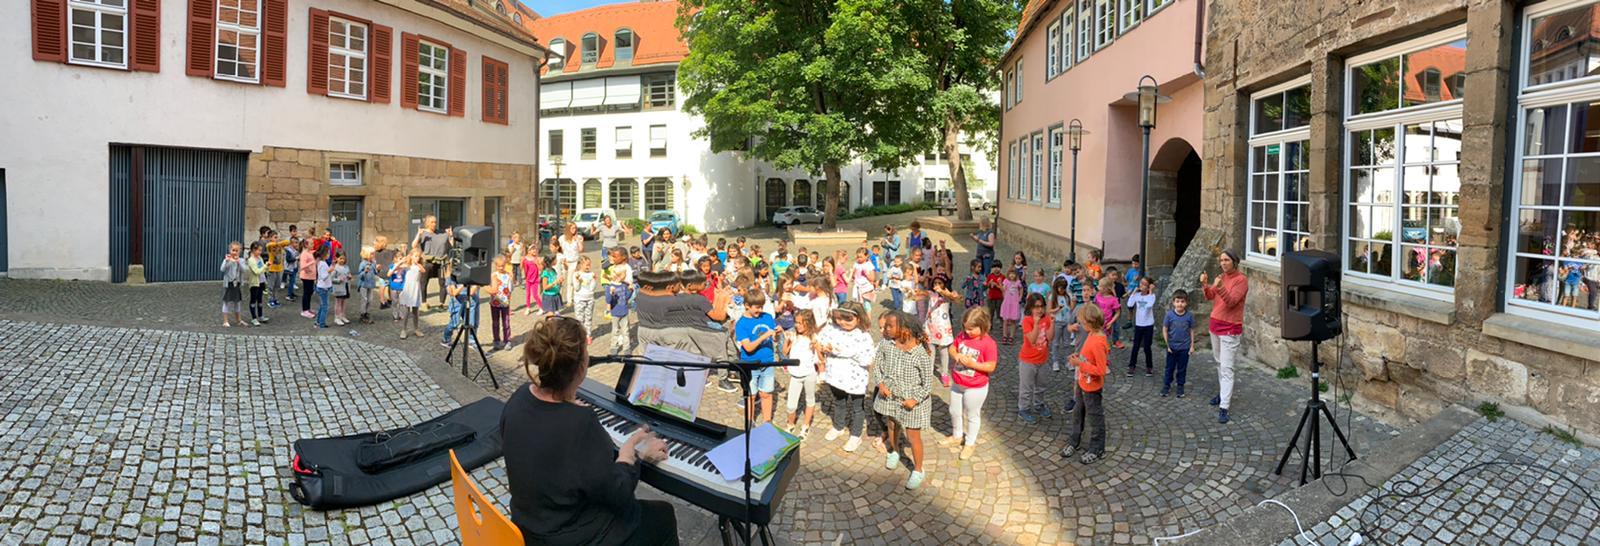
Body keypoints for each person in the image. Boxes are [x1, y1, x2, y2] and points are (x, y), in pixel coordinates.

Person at [502, 315, 677, 546]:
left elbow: (546, 447)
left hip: (528, 525)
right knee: (663, 514)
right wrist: (633, 455)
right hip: (570, 538)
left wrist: (566, 404)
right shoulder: (579, 423)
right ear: (582, 366)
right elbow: (618, 494)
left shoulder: (519, 398)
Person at [871, 311, 937, 490]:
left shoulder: (921, 354)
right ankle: (894, 450)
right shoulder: (886, 344)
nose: (885, 329)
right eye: (885, 326)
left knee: (913, 436)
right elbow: (878, 366)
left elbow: (927, 384)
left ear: (905, 329)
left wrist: (914, 400)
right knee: (892, 425)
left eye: (889, 326)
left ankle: (918, 469)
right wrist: (881, 384)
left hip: (912, 402)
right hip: (890, 396)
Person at [817, 302, 875, 452]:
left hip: (855, 379)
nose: (843, 322)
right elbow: (821, 340)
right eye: (839, 318)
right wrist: (824, 347)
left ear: (859, 318)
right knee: (839, 402)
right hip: (835, 376)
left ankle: (856, 435)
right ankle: (838, 426)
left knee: (857, 408)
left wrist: (844, 351)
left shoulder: (864, 336)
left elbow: (868, 359)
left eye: (848, 319)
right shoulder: (832, 329)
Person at [942, 307, 997, 461]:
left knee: (972, 414)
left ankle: (970, 443)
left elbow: (991, 366)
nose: (967, 332)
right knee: (954, 411)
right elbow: (952, 348)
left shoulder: (988, 343)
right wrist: (956, 355)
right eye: (965, 328)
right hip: (958, 382)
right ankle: (957, 435)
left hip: (976, 387)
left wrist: (973, 364)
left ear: (982, 326)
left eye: (971, 329)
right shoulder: (963, 335)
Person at [1202, 249, 1249, 424]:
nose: (1223, 263)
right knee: (1219, 363)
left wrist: (1220, 287)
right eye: (1221, 260)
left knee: (1227, 368)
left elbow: (1231, 302)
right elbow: (1210, 296)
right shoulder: (1221, 277)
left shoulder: (1241, 280)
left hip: (1230, 328)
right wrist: (1205, 284)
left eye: (1226, 260)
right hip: (1215, 325)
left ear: (1234, 262)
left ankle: (1224, 407)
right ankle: (1223, 394)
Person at [1061, 304, 1109, 464]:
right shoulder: (1092, 334)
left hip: (1092, 387)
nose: (1080, 325)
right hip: (1083, 382)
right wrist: (1079, 357)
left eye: (1082, 322)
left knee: (1095, 417)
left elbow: (1101, 369)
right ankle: (1074, 440)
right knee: (1077, 412)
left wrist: (1080, 364)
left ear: (1089, 323)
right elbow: (1088, 356)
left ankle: (1097, 449)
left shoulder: (1099, 341)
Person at [736, 291, 781, 424]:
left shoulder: (767, 317)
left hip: (768, 363)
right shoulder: (741, 324)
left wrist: (777, 334)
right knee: (750, 396)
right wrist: (764, 336)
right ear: (747, 306)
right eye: (757, 307)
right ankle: (749, 422)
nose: (760, 310)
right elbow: (748, 348)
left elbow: (775, 339)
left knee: (766, 394)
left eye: (762, 306)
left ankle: (767, 422)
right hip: (750, 365)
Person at [785, 312, 821, 437]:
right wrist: (787, 341)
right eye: (796, 322)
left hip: (809, 373)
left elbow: (821, 358)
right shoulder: (793, 335)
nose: (797, 325)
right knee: (791, 405)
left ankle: (805, 425)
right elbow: (785, 352)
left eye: (801, 323)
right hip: (795, 375)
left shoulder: (814, 337)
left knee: (810, 399)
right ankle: (790, 424)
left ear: (809, 323)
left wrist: (817, 347)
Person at [1017, 294, 1053, 424]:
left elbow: (1050, 338)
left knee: (1041, 386)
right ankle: (1024, 409)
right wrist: (1037, 324)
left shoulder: (1046, 319)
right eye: (1036, 307)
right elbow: (1032, 339)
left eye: (1042, 306)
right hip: (1028, 360)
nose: (1040, 310)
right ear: (1030, 307)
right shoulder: (1027, 320)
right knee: (1026, 387)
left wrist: (1052, 322)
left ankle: (1039, 405)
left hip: (1042, 359)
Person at [1162, 289, 1196, 398]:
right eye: (1177, 301)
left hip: (1184, 347)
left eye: (1182, 301)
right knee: (1169, 367)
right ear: (1173, 302)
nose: (1180, 304)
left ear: (1186, 303)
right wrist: (1167, 344)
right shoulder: (1169, 315)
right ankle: (1166, 385)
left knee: (1182, 368)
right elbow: (1165, 329)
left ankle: (1180, 385)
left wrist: (1192, 346)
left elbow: (1191, 330)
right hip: (1172, 347)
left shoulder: (1189, 316)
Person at [412, 216, 451, 309]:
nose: (434, 224)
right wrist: (418, 234)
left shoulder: (442, 233)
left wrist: (450, 236)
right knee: (423, 282)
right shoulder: (423, 233)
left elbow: (451, 245)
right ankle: (424, 303)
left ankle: (441, 304)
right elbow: (413, 245)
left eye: (435, 222)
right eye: (432, 222)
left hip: (441, 262)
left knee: (443, 283)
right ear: (427, 223)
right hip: (427, 262)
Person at [926, 277, 959, 387]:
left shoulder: (947, 294)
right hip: (931, 326)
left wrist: (943, 291)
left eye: (939, 283)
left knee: (943, 350)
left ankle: (944, 373)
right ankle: (929, 373)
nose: (937, 285)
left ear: (944, 284)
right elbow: (923, 293)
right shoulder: (931, 294)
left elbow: (954, 298)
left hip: (943, 328)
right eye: (935, 283)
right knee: (930, 350)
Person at [604, 247, 635, 355]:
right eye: (612, 256)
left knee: (625, 330)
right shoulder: (610, 286)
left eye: (615, 256)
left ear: (623, 257)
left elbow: (628, 290)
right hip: (615, 311)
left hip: (624, 308)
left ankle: (626, 347)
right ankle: (614, 346)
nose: (613, 258)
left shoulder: (627, 268)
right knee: (615, 330)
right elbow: (608, 299)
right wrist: (611, 293)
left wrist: (630, 289)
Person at [1125, 276, 1157, 377]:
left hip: (1148, 325)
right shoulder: (1137, 295)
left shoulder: (1151, 296)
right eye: (1141, 283)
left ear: (1148, 287)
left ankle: (1149, 366)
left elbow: (1149, 305)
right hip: (1139, 324)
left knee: (1147, 347)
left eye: (1144, 284)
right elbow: (1129, 304)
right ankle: (1132, 365)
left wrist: (1151, 291)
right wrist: (1134, 292)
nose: (1141, 286)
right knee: (1135, 346)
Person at [1048, 278, 1075, 373]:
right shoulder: (1052, 297)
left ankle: (1068, 361)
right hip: (1057, 322)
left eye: (1064, 288)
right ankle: (1055, 361)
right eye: (1060, 288)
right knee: (1055, 343)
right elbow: (1049, 310)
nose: (1062, 290)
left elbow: (1071, 309)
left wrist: (1073, 302)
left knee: (1067, 343)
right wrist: (1057, 309)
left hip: (1067, 322)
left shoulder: (1068, 296)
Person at [489, 255, 514, 351]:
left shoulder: (508, 275)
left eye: (502, 266)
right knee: (495, 322)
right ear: (495, 265)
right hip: (495, 303)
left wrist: (512, 279)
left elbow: (511, 288)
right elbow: (490, 288)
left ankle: (507, 340)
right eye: (499, 266)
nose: (500, 268)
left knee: (506, 322)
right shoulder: (493, 275)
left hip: (505, 303)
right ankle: (496, 340)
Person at [398, 251, 424, 339]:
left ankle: (416, 329)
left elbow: (423, 270)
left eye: (418, 256)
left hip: (415, 289)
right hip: (408, 289)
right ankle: (403, 329)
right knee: (406, 310)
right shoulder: (407, 266)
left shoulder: (419, 266)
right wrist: (401, 261)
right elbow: (397, 267)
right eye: (415, 256)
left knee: (415, 311)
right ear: (411, 256)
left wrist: (418, 263)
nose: (417, 258)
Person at [573, 256, 599, 344]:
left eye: (589, 265)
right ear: (580, 265)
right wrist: (578, 281)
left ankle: (588, 335)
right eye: (586, 265)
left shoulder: (591, 274)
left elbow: (592, 288)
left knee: (588, 318)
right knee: (579, 319)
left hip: (589, 298)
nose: (588, 266)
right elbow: (576, 288)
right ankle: (580, 336)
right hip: (579, 299)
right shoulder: (576, 274)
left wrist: (594, 280)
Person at [220, 241, 246, 327]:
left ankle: (239, 320)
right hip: (229, 284)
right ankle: (225, 321)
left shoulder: (241, 260)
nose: (234, 252)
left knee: (237, 302)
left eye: (236, 250)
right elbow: (222, 269)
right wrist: (227, 261)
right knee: (226, 302)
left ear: (240, 251)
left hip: (237, 284)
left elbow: (244, 270)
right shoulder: (227, 259)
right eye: (233, 250)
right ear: (230, 250)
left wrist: (238, 262)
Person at [559, 224, 585, 304]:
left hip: (574, 262)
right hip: (564, 261)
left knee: (570, 282)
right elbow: (560, 250)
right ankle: (559, 299)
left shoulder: (579, 237)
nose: (574, 229)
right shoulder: (562, 238)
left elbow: (581, 249)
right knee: (561, 281)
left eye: (575, 228)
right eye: (572, 228)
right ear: (568, 229)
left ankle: (569, 300)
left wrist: (578, 240)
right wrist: (563, 259)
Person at [245, 242, 269, 326]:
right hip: (254, 283)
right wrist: (265, 266)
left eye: (261, 250)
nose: (260, 252)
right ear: (253, 250)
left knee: (260, 299)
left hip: (261, 281)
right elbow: (257, 271)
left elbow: (263, 270)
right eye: (258, 250)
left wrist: (266, 267)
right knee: (253, 300)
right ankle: (254, 318)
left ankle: (261, 315)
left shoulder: (259, 258)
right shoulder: (251, 260)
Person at [999, 269, 1024, 344]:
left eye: (1013, 274)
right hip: (1007, 303)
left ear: (1016, 275)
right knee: (1005, 321)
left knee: (1013, 321)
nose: (1012, 275)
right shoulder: (1006, 281)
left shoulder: (1018, 282)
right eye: (1010, 273)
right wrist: (1000, 283)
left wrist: (1020, 297)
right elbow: (1003, 289)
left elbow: (1021, 289)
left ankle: (1011, 336)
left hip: (1014, 303)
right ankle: (1004, 335)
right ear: (1008, 274)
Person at [357, 247, 378, 324]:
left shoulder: (373, 263)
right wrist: (365, 272)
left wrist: (378, 269)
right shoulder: (362, 264)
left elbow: (375, 272)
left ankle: (367, 313)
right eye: (372, 254)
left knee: (370, 300)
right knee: (364, 300)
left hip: (371, 284)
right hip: (364, 284)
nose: (373, 255)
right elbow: (359, 275)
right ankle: (362, 314)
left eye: (373, 254)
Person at [313, 247, 333, 329]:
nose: (329, 255)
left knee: (322, 305)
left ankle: (318, 322)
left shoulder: (322, 263)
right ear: (324, 254)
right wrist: (329, 271)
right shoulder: (322, 264)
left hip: (323, 287)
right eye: (328, 253)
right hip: (323, 288)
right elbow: (323, 276)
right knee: (325, 307)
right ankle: (321, 323)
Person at [298, 239, 318, 318]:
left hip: (311, 277)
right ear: (306, 245)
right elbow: (302, 266)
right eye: (311, 244)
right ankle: (304, 310)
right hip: (306, 277)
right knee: (306, 293)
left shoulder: (310, 252)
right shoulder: (304, 254)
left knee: (310, 292)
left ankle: (308, 308)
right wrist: (312, 262)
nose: (313, 245)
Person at [331, 252, 352, 326]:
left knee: (344, 302)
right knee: (338, 303)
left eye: (343, 258)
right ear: (336, 258)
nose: (342, 260)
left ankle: (342, 316)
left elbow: (348, 274)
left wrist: (349, 276)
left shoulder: (346, 267)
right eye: (340, 258)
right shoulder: (335, 268)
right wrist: (338, 280)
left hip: (346, 286)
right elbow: (331, 278)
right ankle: (337, 318)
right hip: (338, 288)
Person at [522, 243, 543, 316]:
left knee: (535, 295)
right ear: (529, 251)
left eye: (535, 249)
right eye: (532, 249)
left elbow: (541, 269)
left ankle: (541, 308)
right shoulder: (525, 259)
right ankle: (528, 308)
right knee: (528, 294)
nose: (534, 250)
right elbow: (525, 270)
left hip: (535, 280)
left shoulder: (537, 259)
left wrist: (537, 264)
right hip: (528, 280)